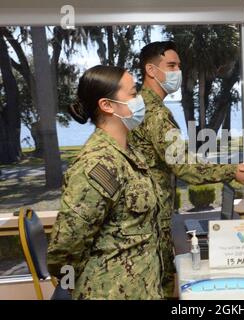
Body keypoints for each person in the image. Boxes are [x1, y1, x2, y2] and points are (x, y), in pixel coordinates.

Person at [129, 41, 244, 297]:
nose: (178, 71)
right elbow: (186, 168)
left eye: (179, 65)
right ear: (151, 70)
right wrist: (232, 171)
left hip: (146, 220)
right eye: (171, 65)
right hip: (151, 224)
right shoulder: (154, 114)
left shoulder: (138, 107)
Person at [47, 65, 165, 299]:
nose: (140, 99)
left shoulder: (127, 152)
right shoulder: (97, 164)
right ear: (107, 105)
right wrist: (74, 287)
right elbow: (65, 248)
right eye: (133, 94)